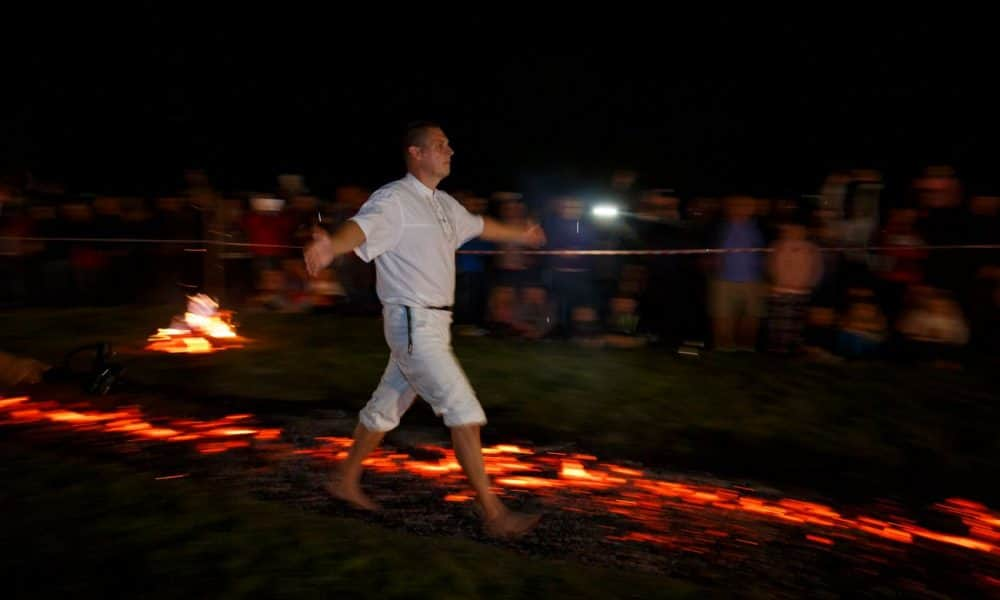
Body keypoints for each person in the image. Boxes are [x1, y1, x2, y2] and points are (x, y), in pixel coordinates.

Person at [304, 122, 546, 538]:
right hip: (414, 324)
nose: (450, 150)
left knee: (385, 408)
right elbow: (362, 227)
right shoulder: (394, 199)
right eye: (440, 145)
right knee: (464, 411)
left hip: (432, 325)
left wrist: (520, 235)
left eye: (448, 144)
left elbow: (481, 226)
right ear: (416, 153)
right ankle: (494, 515)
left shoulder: (443, 204)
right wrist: (331, 246)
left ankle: (344, 480)